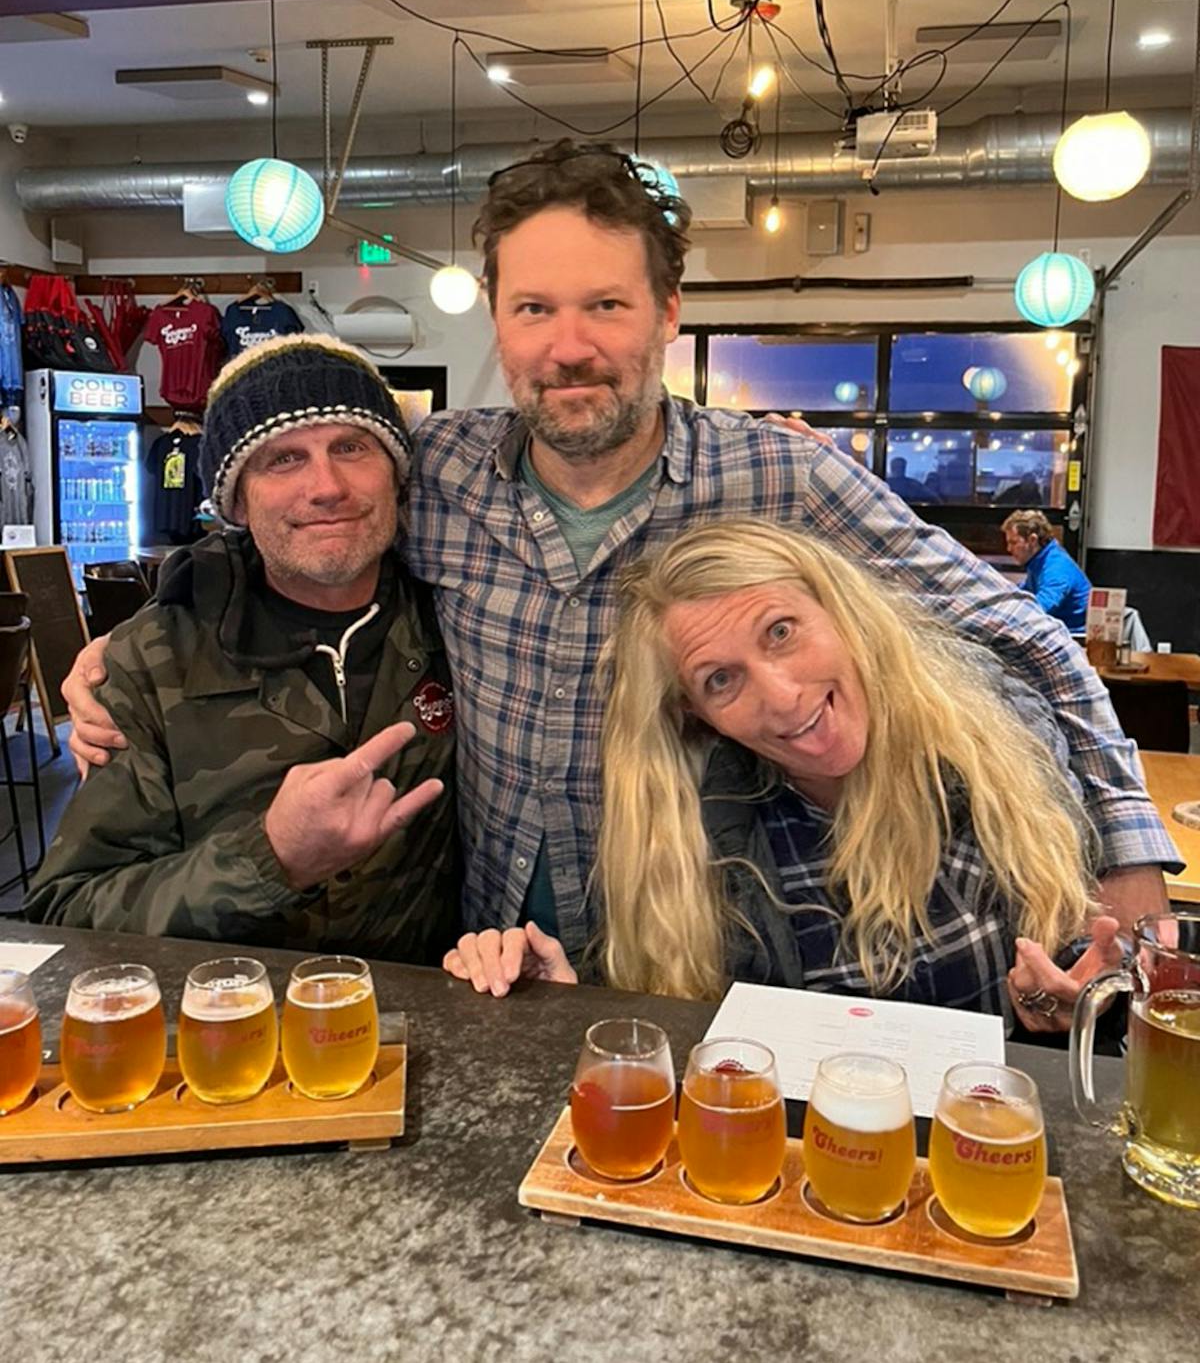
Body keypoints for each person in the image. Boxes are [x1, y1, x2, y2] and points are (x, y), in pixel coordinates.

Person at [65, 141, 1177, 987]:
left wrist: (1129, 854)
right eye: (534, 308)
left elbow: (1019, 632)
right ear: (499, 322)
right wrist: (127, 647)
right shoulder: (432, 470)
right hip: (488, 958)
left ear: (666, 315)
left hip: (694, 953)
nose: (570, 345)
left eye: (606, 305)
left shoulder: (780, 480)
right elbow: (285, 529)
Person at [451, 520, 1167, 1032]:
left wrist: (1077, 1004)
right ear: (699, 716)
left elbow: (1079, 971)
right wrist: (571, 1004)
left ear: (843, 613)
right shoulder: (697, 840)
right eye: (722, 679)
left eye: (782, 632)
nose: (785, 695)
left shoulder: (992, 748)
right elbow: (670, 1036)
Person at [26, 335, 458, 960]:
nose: (327, 486)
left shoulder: (458, 619)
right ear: (236, 500)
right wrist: (269, 858)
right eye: (282, 459)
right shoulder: (153, 660)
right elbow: (67, 912)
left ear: (395, 472)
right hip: (230, 1028)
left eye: (352, 446)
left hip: (434, 1026)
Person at [1003, 508, 1092, 635]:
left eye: (1013, 542)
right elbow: (1025, 592)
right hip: (1058, 632)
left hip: (1073, 638)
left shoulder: (1057, 567)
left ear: (1032, 540)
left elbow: (1041, 607)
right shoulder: (1039, 561)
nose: (1009, 549)